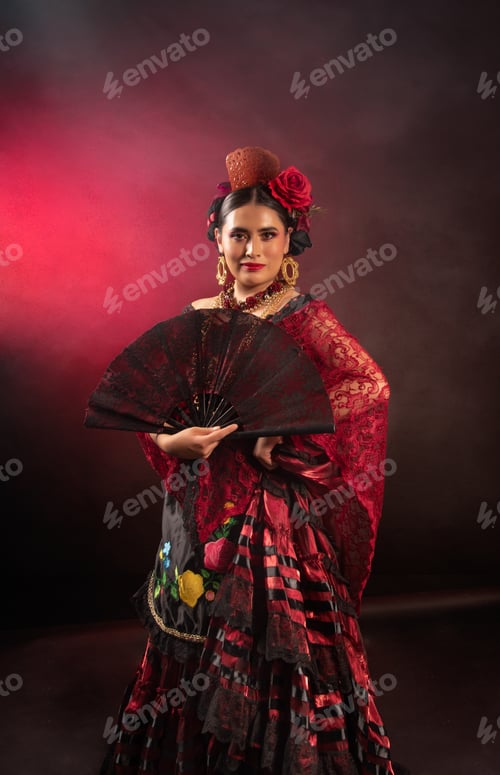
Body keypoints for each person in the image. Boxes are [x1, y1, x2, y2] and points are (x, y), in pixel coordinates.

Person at [100, 146, 401, 775]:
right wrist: (170, 443)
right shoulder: (198, 319)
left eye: (268, 235)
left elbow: (369, 384)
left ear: (290, 240)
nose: (253, 250)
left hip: (269, 518)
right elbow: (159, 409)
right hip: (195, 505)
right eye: (240, 235)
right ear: (217, 238)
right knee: (192, 627)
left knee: (271, 640)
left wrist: (284, 426)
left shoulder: (304, 318)